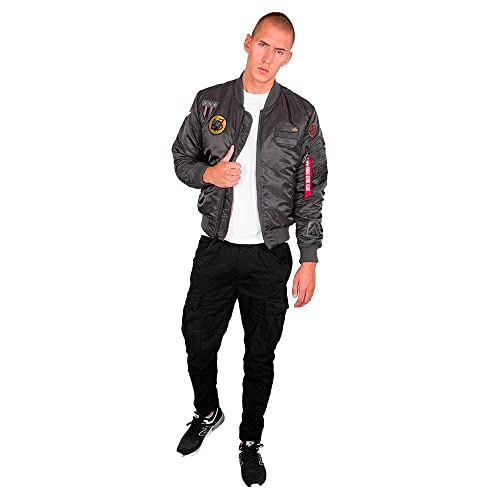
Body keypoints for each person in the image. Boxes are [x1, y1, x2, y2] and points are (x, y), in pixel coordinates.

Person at [171, 12, 328, 487]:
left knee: (260, 356)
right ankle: (207, 412)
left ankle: (250, 440)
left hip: (268, 256)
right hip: (216, 250)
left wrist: (309, 258)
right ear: (247, 42)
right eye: (263, 44)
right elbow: (181, 157)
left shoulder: (301, 115)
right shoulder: (210, 101)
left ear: (288, 58)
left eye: (279, 51)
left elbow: (310, 189)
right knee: (197, 340)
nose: (267, 57)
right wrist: (209, 174)